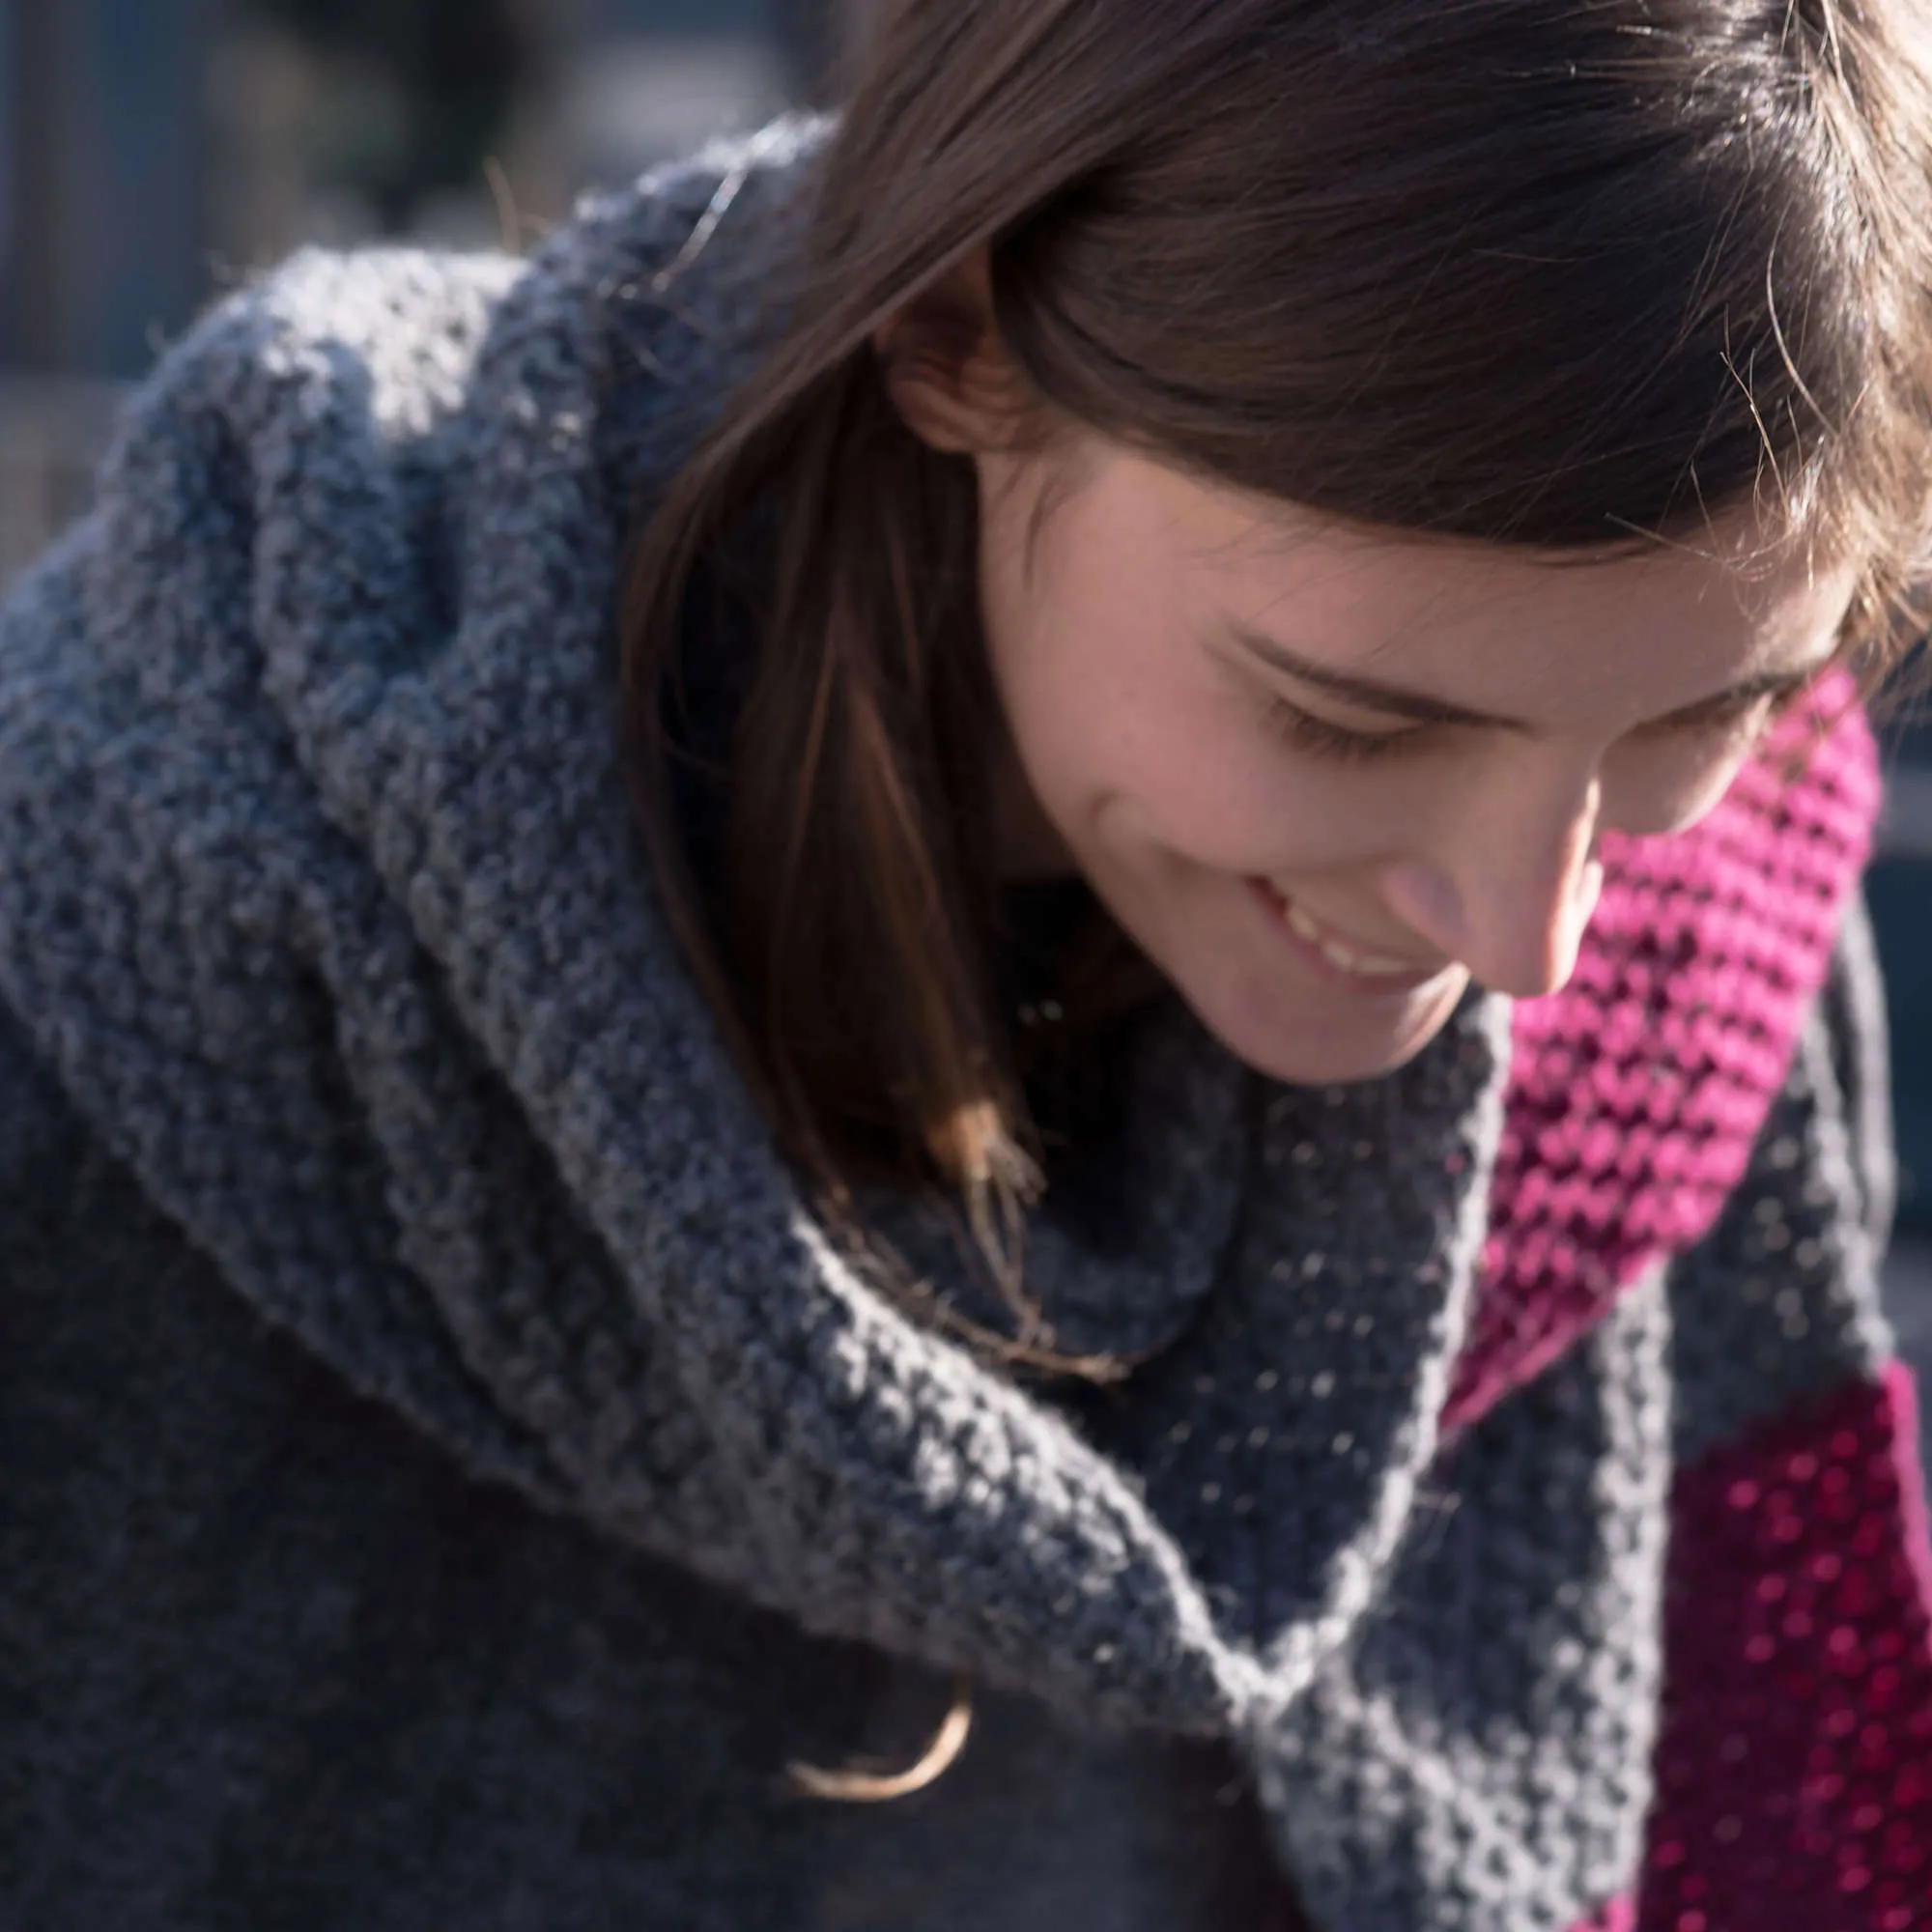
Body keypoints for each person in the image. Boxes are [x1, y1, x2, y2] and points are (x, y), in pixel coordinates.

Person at [4, 1, 1931, 1925]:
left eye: (1705, 717)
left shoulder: (1713, 972)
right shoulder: (146, 949)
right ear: (951, 338)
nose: (1534, 941)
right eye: (1350, 721)